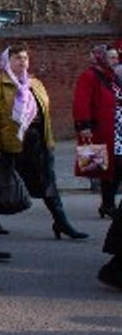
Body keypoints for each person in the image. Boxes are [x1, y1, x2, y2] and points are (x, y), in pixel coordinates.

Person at [0, 45, 87, 240]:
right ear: (7, 62)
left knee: (49, 184)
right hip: (11, 143)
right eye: (17, 58)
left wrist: (48, 140)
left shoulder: (36, 84)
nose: (22, 62)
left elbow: (45, 114)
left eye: (25, 58)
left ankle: (61, 222)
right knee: (3, 184)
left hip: (38, 141)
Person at [73, 44, 121, 218]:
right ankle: (108, 204)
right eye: (112, 57)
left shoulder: (113, 76)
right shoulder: (90, 76)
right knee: (105, 166)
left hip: (117, 128)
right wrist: (84, 126)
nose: (116, 60)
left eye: (116, 57)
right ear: (102, 57)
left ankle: (107, 204)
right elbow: (81, 101)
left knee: (115, 167)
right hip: (100, 128)